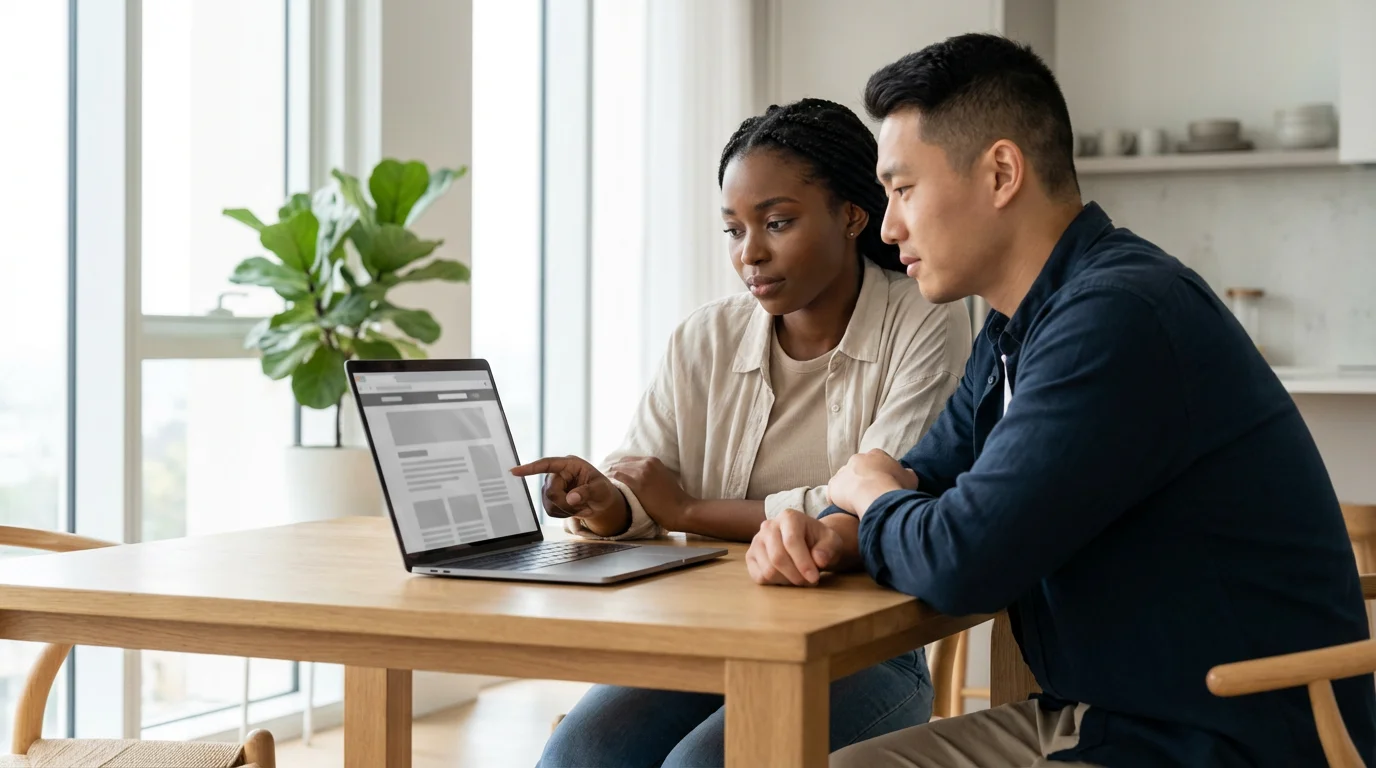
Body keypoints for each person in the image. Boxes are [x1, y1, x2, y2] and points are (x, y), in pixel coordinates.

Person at [747, 34, 1376, 768]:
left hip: (1224, 739)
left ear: (1002, 172)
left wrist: (872, 499)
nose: (888, 227)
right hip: (1109, 714)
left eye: (904, 189)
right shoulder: (1020, 323)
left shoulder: (1116, 316)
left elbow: (962, 560)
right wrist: (833, 530)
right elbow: (931, 476)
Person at [512, 98, 971, 767]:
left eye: (777, 223)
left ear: (851, 214)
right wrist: (605, 502)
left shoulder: (926, 319)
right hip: (705, 635)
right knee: (576, 754)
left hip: (866, 651)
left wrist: (692, 512)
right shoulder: (707, 335)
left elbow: (875, 501)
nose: (749, 253)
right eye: (733, 230)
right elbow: (646, 482)